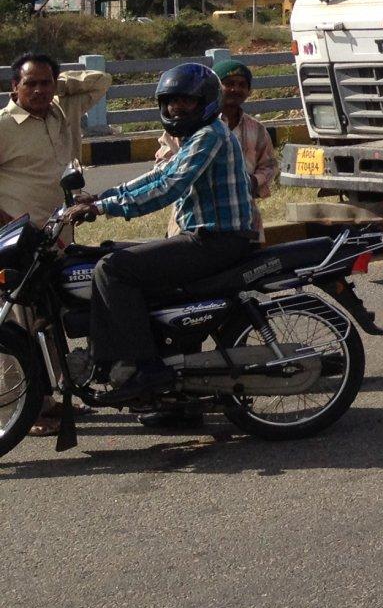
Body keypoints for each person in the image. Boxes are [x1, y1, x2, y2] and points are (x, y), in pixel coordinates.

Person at [61, 64, 259, 404]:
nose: (176, 108)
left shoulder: (210, 134)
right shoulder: (196, 136)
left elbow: (169, 187)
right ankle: (134, 365)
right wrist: (101, 196)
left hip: (216, 242)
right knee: (102, 255)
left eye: (186, 102)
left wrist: (104, 209)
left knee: (113, 268)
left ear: (206, 102)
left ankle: (145, 367)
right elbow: (158, 174)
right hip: (203, 238)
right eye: (170, 102)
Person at [153, 58, 278, 236]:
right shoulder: (186, 125)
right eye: (229, 83)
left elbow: (270, 165)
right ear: (215, 89)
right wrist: (191, 172)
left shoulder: (256, 129)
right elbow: (162, 167)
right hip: (192, 225)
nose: (236, 89)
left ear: (249, 91)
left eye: (242, 85)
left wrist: (252, 181)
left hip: (243, 224)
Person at [0, 52, 114, 224]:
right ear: (15, 86)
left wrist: (58, 85)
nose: (38, 90)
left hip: (60, 229)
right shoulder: (4, 125)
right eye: (30, 84)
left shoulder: (62, 110)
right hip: (16, 236)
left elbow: (102, 81)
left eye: (45, 82)